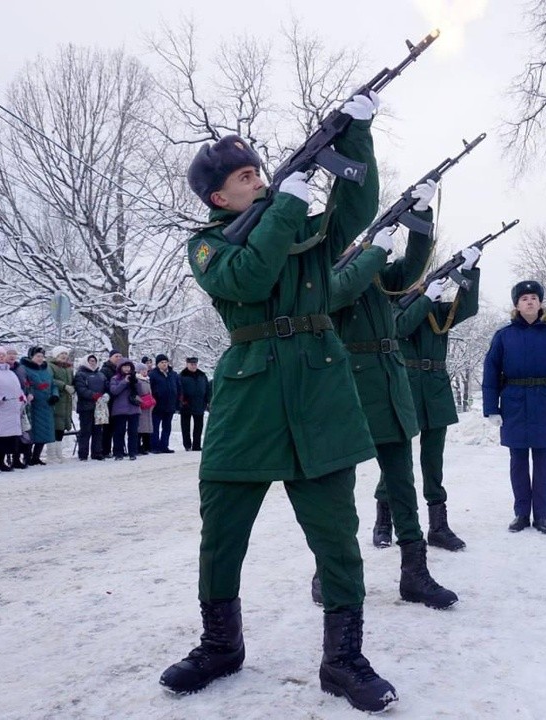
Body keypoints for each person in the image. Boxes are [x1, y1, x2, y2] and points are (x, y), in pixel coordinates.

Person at [160, 93, 398, 714]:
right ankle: (221, 645)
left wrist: (357, 136)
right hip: (249, 398)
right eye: (247, 178)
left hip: (319, 391)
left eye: (261, 171)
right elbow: (248, 279)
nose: (260, 181)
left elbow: (357, 207)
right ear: (219, 199)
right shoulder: (208, 247)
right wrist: (288, 199)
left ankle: (343, 658)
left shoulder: (303, 230)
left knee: (338, 538)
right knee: (222, 534)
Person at [326, 177, 457, 609]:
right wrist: (372, 248)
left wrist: (419, 216)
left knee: (402, 482)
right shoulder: (330, 272)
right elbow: (343, 290)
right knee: (337, 491)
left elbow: (414, 268)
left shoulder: (379, 274)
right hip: (352, 387)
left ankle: (414, 572)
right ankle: (328, 570)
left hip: (391, 382)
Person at [390, 245, 482, 551]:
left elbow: (466, 309)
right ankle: (383, 517)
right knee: (397, 459)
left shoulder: (438, 311)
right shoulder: (397, 306)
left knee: (434, 461)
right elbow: (400, 328)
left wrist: (469, 269)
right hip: (406, 386)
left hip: (436, 387)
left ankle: (438, 525)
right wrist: (425, 297)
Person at [482, 281, 546, 535]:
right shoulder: (504, 336)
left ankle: (542, 516)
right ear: (516, 305)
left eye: (534, 297)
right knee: (518, 461)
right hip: (514, 402)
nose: (529, 302)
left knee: (543, 462)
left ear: (540, 303)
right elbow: (491, 372)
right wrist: (492, 408)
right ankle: (522, 514)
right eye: (524, 298)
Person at [16, 346, 60, 466]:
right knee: (31, 432)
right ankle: (27, 456)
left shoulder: (46, 370)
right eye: (38, 356)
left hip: (47, 405)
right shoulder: (25, 368)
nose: (40, 359)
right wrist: (33, 392)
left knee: (44, 431)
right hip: (33, 405)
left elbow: (53, 384)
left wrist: (55, 395)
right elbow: (25, 385)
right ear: (31, 356)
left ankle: (36, 456)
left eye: (42, 356)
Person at [74, 354, 107, 461]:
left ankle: (97, 452)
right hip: (86, 407)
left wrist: (106, 394)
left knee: (98, 430)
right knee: (85, 431)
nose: (92, 363)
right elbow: (81, 389)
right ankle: (83, 453)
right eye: (90, 361)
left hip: (99, 406)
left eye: (94, 361)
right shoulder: (80, 374)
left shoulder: (101, 374)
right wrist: (93, 395)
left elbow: (107, 385)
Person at [109, 358, 140, 461]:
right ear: (120, 368)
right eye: (125, 367)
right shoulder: (115, 379)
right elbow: (114, 391)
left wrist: (135, 381)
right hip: (119, 410)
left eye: (129, 367)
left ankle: (132, 452)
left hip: (134, 409)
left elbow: (140, 391)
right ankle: (118, 453)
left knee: (133, 432)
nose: (127, 369)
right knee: (119, 432)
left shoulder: (135, 378)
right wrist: (124, 382)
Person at [148, 353, 180, 453]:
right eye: (162, 362)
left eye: (166, 362)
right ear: (157, 364)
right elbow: (150, 390)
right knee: (155, 427)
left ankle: (164, 445)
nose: (164, 364)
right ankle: (154, 446)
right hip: (157, 406)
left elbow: (178, 388)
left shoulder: (173, 374)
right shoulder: (153, 375)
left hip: (170, 405)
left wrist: (177, 403)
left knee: (167, 427)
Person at [49, 346, 75, 464]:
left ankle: (59, 453)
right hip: (57, 399)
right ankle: (52, 454)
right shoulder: (51, 366)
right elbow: (50, 380)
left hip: (67, 401)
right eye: (61, 354)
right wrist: (63, 386)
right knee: (55, 426)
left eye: (65, 354)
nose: (64, 356)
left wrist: (73, 387)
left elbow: (72, 381)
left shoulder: (69, 369)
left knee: (61, 428)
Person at [4, 348, 30, 469]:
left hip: (21, 402)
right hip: (6, 403)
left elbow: (27, 383)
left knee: (20, 432)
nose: (12, 356)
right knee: (7, 432)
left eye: (14, 353)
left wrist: (28, 393)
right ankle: (5, 457)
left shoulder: (20, 368)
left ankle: (17, 458)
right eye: (9, 353)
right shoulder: (1, 368)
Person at [179, 356, 210, 451]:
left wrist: (207, 401)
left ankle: (196, 445)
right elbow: (179, 390)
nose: (193, 366)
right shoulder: (182, 376)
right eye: (191, 364)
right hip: (186, 404)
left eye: (195, 364)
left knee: (198, 426)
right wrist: (182, 401)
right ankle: (187, 445)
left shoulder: (202, 375)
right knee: (185, 426)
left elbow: (207, 389)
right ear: (187, 364)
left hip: (199, 403)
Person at [100, 349, 122, 457]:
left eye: (119, 356)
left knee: (118, 427)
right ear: (110, 357)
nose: (118, 358)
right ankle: (105, 450)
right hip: (109, 401)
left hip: (120, 402)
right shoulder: (105, 370)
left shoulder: (121, 370)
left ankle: (117, 449)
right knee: (107, 427)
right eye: (116, 356)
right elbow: (105, 384)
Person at [135, 362, 153, 455]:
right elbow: (135, 393)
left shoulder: (147, 380)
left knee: (146, 428)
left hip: (148, 407)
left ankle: (145, 446)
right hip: (141, 406)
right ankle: (138, 447)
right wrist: (141, 401)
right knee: (139, 428)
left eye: (146, 370)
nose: (145, 372)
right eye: (143, 370)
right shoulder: (137, 380)